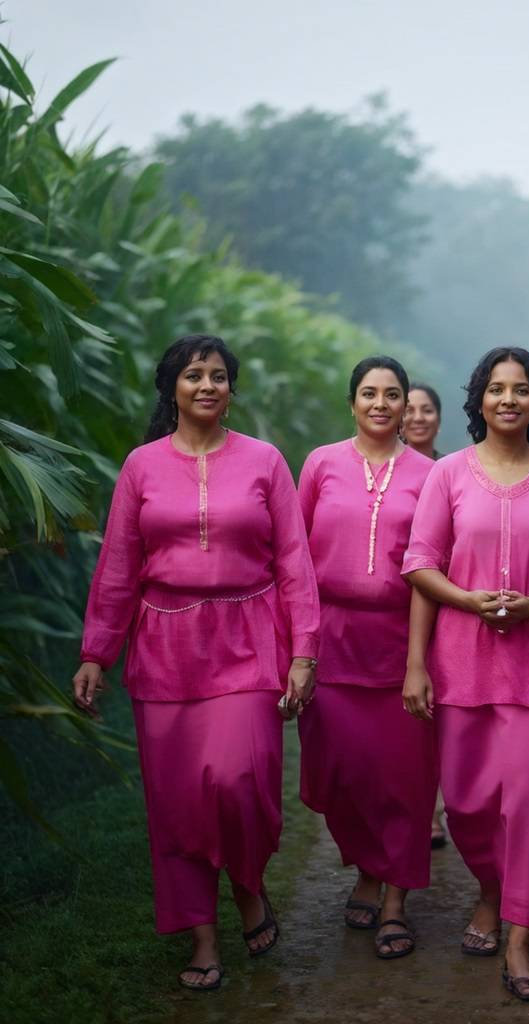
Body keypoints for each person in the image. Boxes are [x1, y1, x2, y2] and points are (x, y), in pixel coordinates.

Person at [73, 335, 319, 992]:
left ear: (232, 390)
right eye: (193, 375)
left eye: (218, 376)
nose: (207, 385)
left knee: (239, 779)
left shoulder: (266, 462)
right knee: (178, 800)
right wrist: (98, 651)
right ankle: (203, 936)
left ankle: (246, 886)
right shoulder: (141, 467)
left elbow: (295, 564)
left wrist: (303, 653)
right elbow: (119, 567)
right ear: (172, 389)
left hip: (248, 639)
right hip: (165, 647)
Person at [401, 347, 529, 1002]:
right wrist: (460, 609)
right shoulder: (449, 475)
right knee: (466, 802)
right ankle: (489, 888)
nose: (508, 399)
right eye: (496, 388)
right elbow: (421, 564)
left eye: (521, 389)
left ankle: (519, 937)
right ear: (479, 400)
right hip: (460, 663)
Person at [297, 356, 436, 960]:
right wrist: (298, 648)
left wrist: (419, 659)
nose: (381, 403)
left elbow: (435, 568)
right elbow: (293, 561)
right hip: (332, 641)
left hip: (403, 640)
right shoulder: (320, 464)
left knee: (404, 777)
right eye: (369, 393)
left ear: (408, 405)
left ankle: (395, 899)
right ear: (352, 401)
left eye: (392, 394)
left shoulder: (433, 474)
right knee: (343, 775)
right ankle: (367, 867)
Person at [401, 381, 450, 849]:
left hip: (447, 606)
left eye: (426, 409)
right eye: (408, 408)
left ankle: (432, 806)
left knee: (435, 713)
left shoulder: (453, 471)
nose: (416, 417)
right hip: (398, 612)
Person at [404, 382, 443, 461]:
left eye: (427, 411)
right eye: (409, 411)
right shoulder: (385, 469)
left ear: (438, 420)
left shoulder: (453, 468)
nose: (418, 418)